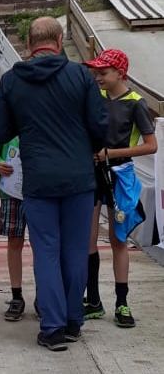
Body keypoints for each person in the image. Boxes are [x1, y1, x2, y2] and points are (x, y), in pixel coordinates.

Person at [0, 16, 107, 351]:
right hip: (79, 177)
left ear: (29, 45)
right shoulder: (81, 76)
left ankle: (52, 327)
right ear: (59, 41)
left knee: (46, 251)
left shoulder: (11, 81)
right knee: (76, 250)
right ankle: (73, 321)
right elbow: (100, 127)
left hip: (38, 180)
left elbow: (0, 131)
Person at [82, 49, 157, 328]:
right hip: (92, 174)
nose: (97, 77)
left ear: (120, 74)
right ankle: (93, 300)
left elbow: (151, 146)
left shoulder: (136, 103)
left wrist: (111, 153)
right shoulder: (95, 98)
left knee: (118, 239)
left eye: (103, 72)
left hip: (120, 175)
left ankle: (122, 303)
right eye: (95, 72)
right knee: (88, 240)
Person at [0, 135, 28, 321]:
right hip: (11, 191)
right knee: (14, 241)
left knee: (43, 244)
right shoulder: (5, 121)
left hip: (41, 190)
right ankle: (16, 295)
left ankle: (44, 294)